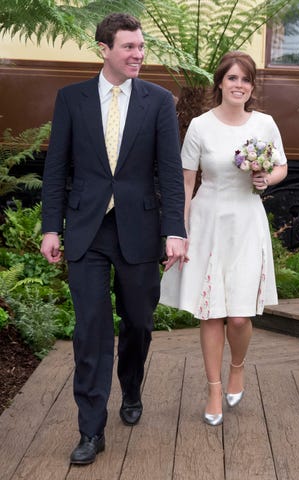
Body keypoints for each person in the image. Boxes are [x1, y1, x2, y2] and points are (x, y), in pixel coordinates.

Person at [40, 13, 186, 465]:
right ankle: (91, 429)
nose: (138, 55)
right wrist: (50, 226)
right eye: (129, 47)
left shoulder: (160, 101)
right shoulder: (71, 99)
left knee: (138, 323)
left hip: (140, 230)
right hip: (87, 230)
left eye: (141, 47)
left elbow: (169, 173)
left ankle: (133, 384)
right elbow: (56, 168)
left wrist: (174, 230)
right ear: (104, 48)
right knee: (91, 331)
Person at [160, 51, 288, 427]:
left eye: (245, 80)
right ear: (220, 83)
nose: (239, 85)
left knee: (237, 316)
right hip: (208, 220)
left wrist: (268, 179)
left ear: (251, 87)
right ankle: (214, 388)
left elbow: (280, 165)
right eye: (232, 78)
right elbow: (185, 181)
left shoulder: (265, 124)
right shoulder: (200, 125)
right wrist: (179, 231)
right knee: (211, 311)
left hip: (247, 221)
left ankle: (237, 367)